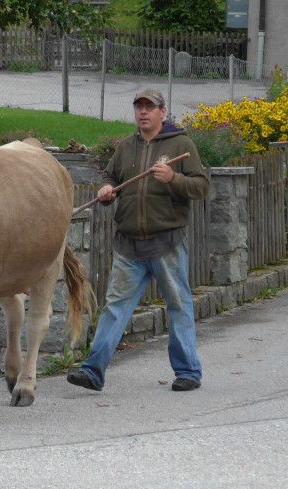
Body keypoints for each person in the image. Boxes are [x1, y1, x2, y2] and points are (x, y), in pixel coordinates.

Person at [67, 87, 210, 393]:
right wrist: (106, 191)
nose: (143, 112)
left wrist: (173, 178)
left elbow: (201, 187)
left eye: (150, 107)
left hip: (167, 242)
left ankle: (188, 372)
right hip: (128, 244)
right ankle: (93, 371)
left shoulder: (181, 144)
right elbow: (110, 178)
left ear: (162, 112)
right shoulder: (126, 147)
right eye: (139, 106)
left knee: (178, 305)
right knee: (115, 308)